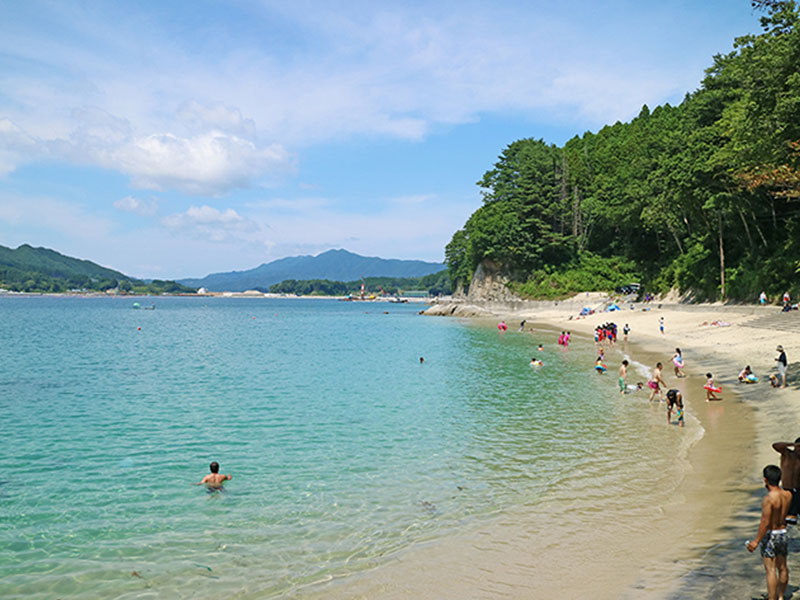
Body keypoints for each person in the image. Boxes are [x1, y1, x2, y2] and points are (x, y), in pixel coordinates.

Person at [746, 465, 791, 600]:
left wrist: (756, 541)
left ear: (765, 480)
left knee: (770, 570)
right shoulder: (787, 495)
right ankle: (781, 596)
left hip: (771, 535)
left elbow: (765, 523)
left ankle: (772, 598)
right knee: (782, 567)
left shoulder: (769, 498)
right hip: (783, 533)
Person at [772, 438, 800, 526]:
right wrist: (792, 444)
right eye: (799, 447)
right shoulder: (787, 454)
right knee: (783, 519)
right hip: (786, 490)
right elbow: (775, 445)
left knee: (791, 519)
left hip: (798, 491)